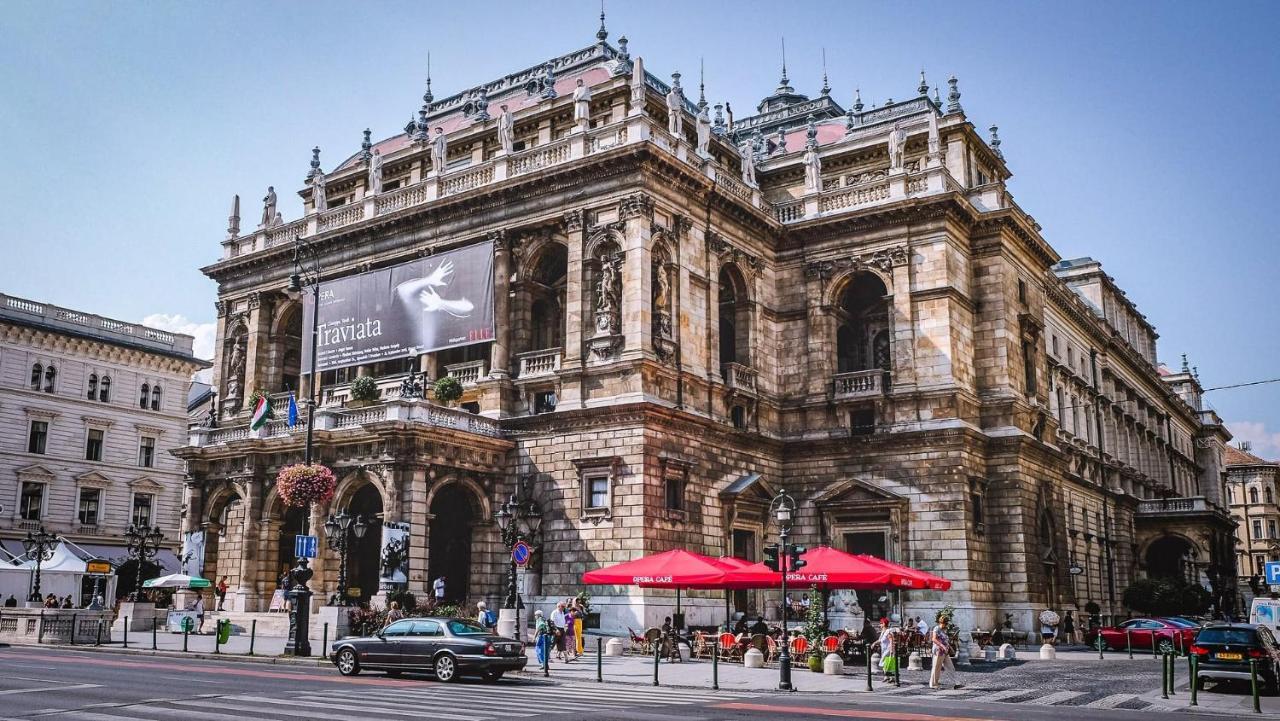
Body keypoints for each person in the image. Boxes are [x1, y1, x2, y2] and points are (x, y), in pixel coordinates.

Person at [929, 615, 961, 690]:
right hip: (938, 651)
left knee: (950, 667)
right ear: (942, 622)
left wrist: (950, 647)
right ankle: (933, 684)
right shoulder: (936, 628)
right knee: (936, 667)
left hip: (945, 652)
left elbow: (945, 640)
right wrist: (942, 646)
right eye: (946, 623)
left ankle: (956, 683)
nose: (947, 625)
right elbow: (933, 639)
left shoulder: (944, 630)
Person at [877, 618, 897, 683]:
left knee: (885, 662)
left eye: (881, 623)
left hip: (888, 649)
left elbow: (891, 640)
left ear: (884, 624)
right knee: (887, 663)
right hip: (884, 650)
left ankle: (890, 677)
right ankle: (888, 677)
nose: (880, 625)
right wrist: (874, 643)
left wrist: (891, 650)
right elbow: (880, 640)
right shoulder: (883, 632)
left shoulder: (888, 631)